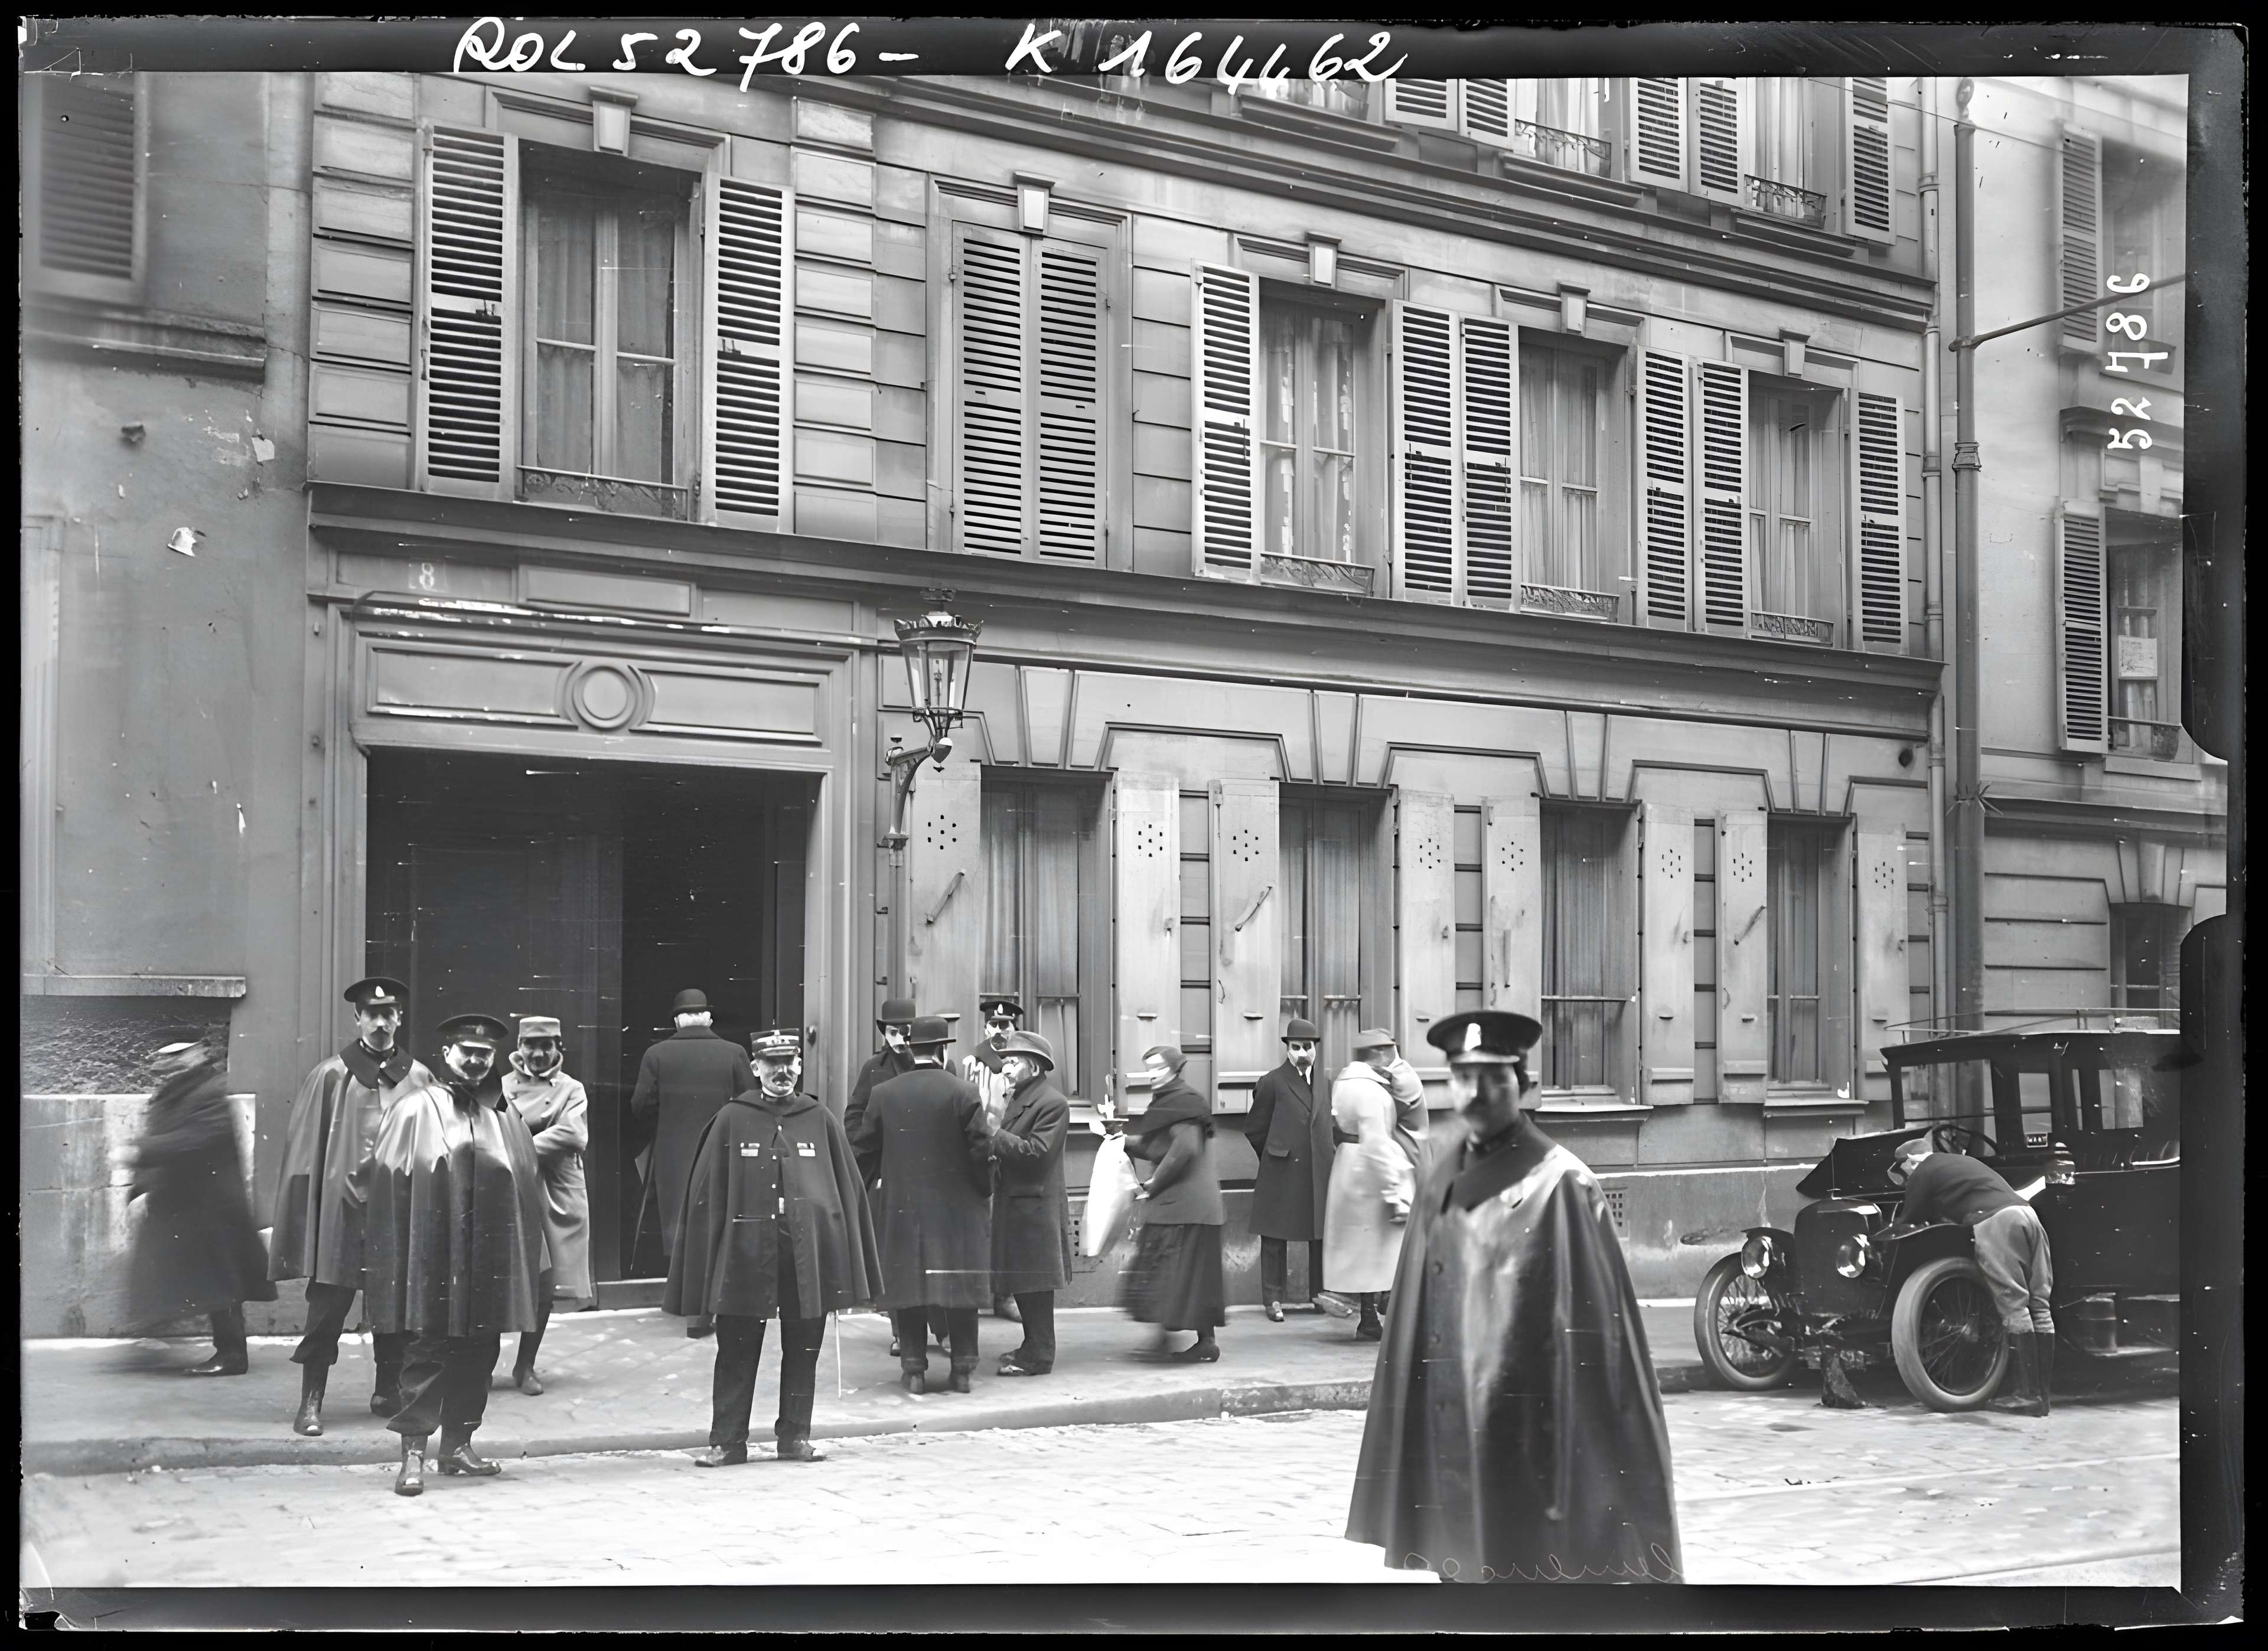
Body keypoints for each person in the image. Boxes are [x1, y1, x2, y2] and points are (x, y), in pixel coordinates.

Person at [1348, 1010, 1680, 1585]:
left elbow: (1602, 1357)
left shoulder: (1561, 1185)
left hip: (1531, 1439)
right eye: (1462, 1077)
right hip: (1453, 1429)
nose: (1475, 1093)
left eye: (1492, 1078)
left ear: (1522, 1087)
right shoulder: (1443, 1181)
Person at [667, 1029, 884, 1466]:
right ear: (755, 1068)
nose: (782, 1071)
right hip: (746, 1255)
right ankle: (727, 1443)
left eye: (789, 1062)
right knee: (736, 1349)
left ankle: (795, 1437)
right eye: (772, 1063)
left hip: (806, 1257)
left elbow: (846, 1191)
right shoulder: (732, 1118)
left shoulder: (819, 1118)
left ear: (800, 1066)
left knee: (804, 1348)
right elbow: (706, 1193)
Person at [363, 1013, 549, 1497]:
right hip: (431, 1260)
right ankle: (412, 1456)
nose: (475, 1061)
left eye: (484, 1055)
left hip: (488, 1261)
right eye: (467, 1052)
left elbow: (524, 1187)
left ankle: (459, 1446)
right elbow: (390, 1185)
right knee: (426, 1353)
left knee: (480, 1352)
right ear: (446, 1054)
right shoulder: (413, 1109)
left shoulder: (505, 1115)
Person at [268, 975, 432, 1436]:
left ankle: (387, 1392)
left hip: (397, 1215)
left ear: (400, 1019)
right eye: (372, 1014)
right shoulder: (331, 1075)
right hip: (343, 1214)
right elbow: (305, 1154)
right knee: (326, 1312)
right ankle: (311, 1401)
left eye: (389, 1014)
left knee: (396, 1312)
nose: (381, 1022)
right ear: (357, 1018)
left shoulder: (419, 1078)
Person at [849, 1015, 994, 1394]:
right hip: (957, 1212)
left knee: (907, 1286)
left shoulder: (885, 1094)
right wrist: (982, 1191)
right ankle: (963, 1368)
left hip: (902, 1209)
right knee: (959, 1289)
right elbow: (982, 1151)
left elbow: (863, 1150)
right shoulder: (964, 1093)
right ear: (944, 1049)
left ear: (911, 1050)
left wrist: (867, 1193)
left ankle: (913, 1368)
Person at [123, 1040, 277, 1375]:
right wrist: (140, 1186)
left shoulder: (211, 1090)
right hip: (185, 1205)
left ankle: (233, 1356)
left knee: (221, 1283)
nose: (169, 1062)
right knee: (195, 1277)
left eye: (177, 1055)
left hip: (212, 1207)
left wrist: (140, 1149)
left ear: (196, 1055)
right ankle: (153, 1338)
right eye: (165, 1056)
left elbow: (193, 1139)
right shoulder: (174, 1092)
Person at [1886, 1135, 2056, 1417]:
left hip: (1995, 1222)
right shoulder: (1961, 1162)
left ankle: (2026, 1396)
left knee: (2013, 1305)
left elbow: (1910, 1219)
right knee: (2039, 1304)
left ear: (1912, 1162)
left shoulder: (1923, 1171)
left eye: (1903, 1172)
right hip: (2028, 1216)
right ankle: (2041, 1398)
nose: (1905, 1178)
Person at [628, 987, 757, 1333]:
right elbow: (751, 1102)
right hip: (724, 1150)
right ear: (708, 1018)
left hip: (673, 1153)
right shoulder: (734, 1053)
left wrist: (663, 1126)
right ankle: (714, 1306)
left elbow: (641, 1106)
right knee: (720, 1221)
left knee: (679, 1225)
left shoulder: (656, 1054)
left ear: (677, 1019)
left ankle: (687, 1306)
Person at [494, 1016, 591, 1396]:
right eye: (531, 1046)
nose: (538, 1054)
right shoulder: (502, 1085)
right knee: (503, 1277)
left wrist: (518, 1146)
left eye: (546, 1046)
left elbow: (572, 1134)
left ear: (558, 1048)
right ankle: (485, 1364)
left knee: (544, 1285)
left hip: (556, 1188)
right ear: (519, 1046)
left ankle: (526, 1365)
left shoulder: (572, 1089)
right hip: (512, 1187)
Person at [1117, 1046, 1226, 1363]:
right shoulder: (1170, 1102)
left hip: (1187, 1204)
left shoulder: (1183, 1101)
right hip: (1185, 1205)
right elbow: (1155, 1148)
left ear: (1174, 1070)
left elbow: (1186, 1149)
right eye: (1148, 1068)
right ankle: (1188, 1341)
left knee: (1173, 1272)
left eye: (1159, 1068)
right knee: (1184, 1275)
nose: (1153, 1074)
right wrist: (1116, 1138)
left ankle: (1185, 1342)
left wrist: (1155, 1183)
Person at [845, 996, 928, 1360]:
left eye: (907, 1032)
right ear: (885, 1033)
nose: (901, 1039)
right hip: (889, 1173)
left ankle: (937, 1327)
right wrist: (876, 1140)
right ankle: (901, 1332)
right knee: (895, 1255)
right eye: (894, 1032)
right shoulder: (873, 1069)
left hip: (930, 1173)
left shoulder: (936, 1062)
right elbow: (853, 1119)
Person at [986, 1030, 1073, 1377]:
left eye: (1013, 1061)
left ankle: (1039, 1356)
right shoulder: (1021, 1098)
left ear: (1033, 1067)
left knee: (1035, 1285)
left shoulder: (1053, 1103)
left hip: (1035, 1209)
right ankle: (1031, 1345)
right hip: (1018, 1205)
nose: (1005, 1068)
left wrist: (994, 1134)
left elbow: (1037, 1153)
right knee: (1024, 1282)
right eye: (1006, 1061)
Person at [1323, 1028, 1417, 1342]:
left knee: (1363, 1249)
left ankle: (1369, 1318)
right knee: (1385, 1247)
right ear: (1378, 1053)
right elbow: (1377, 1141)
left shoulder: (1344, 1083)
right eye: (1392, 1051)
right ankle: (1392, 1313)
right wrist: (1396, 1191)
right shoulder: (1371, 1091)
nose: (1396, 1059)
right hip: (1370, 1169)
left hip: (1349, 1165)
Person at [1243, 1017, 1332, 1323]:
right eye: (1296, 1047)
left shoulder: (1324, 1084)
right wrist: (1272, 1157)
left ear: (1316, 1049)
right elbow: (1255, 1129)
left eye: (1308, 1047)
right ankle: (1274, 1298)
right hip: (1281, 1171)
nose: (1302, 1053)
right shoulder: (1272, 1082)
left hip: (1316, 1173)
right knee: (1274, 1236)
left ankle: (1319, 1294)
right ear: (1288, 1050)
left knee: (1318, 1234)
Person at [963, 995, 1026, 1323]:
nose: (1000, 1032)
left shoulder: (1024, 1061)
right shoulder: (973, 1063)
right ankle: (976, 1296)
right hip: (982, 1153)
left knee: (1009, 1225)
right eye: (994, 1025)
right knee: (982, 1224)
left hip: (1013, 1150)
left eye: (1006, 1025)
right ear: (986, 1027)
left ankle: (1005, 1295)